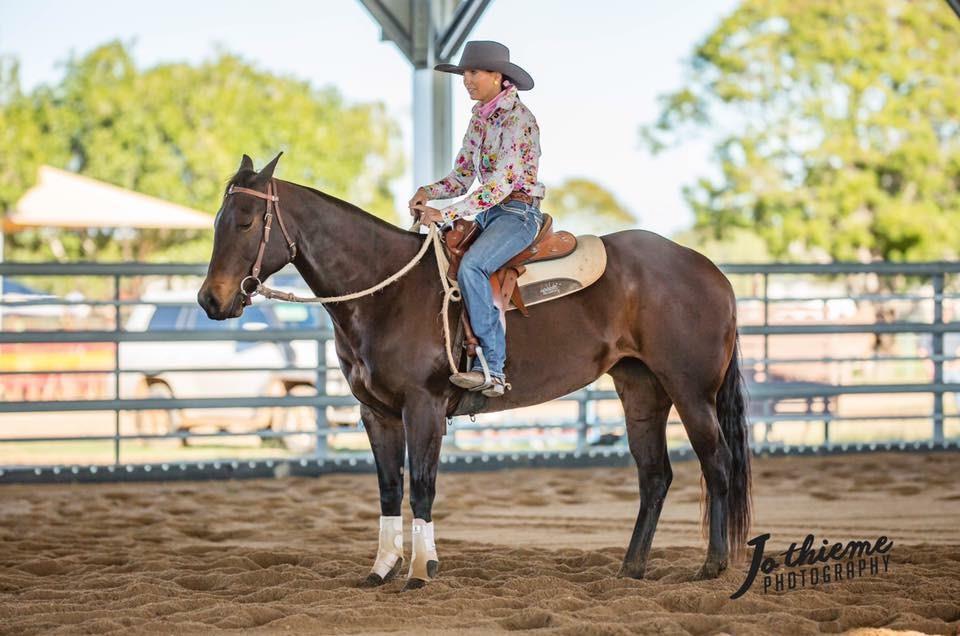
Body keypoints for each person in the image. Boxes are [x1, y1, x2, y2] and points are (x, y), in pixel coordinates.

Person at [409, 40, 545, 398]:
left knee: (472, 267)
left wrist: (446, 212)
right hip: (489, 213)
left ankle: (492, 367)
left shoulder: (519, 120)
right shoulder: (480, 119)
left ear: (496, 76)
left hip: (518, 213)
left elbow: (500, 184)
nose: (466, 80)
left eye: (473, 72)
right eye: (464, 73)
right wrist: (427, 191)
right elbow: (462, 177)